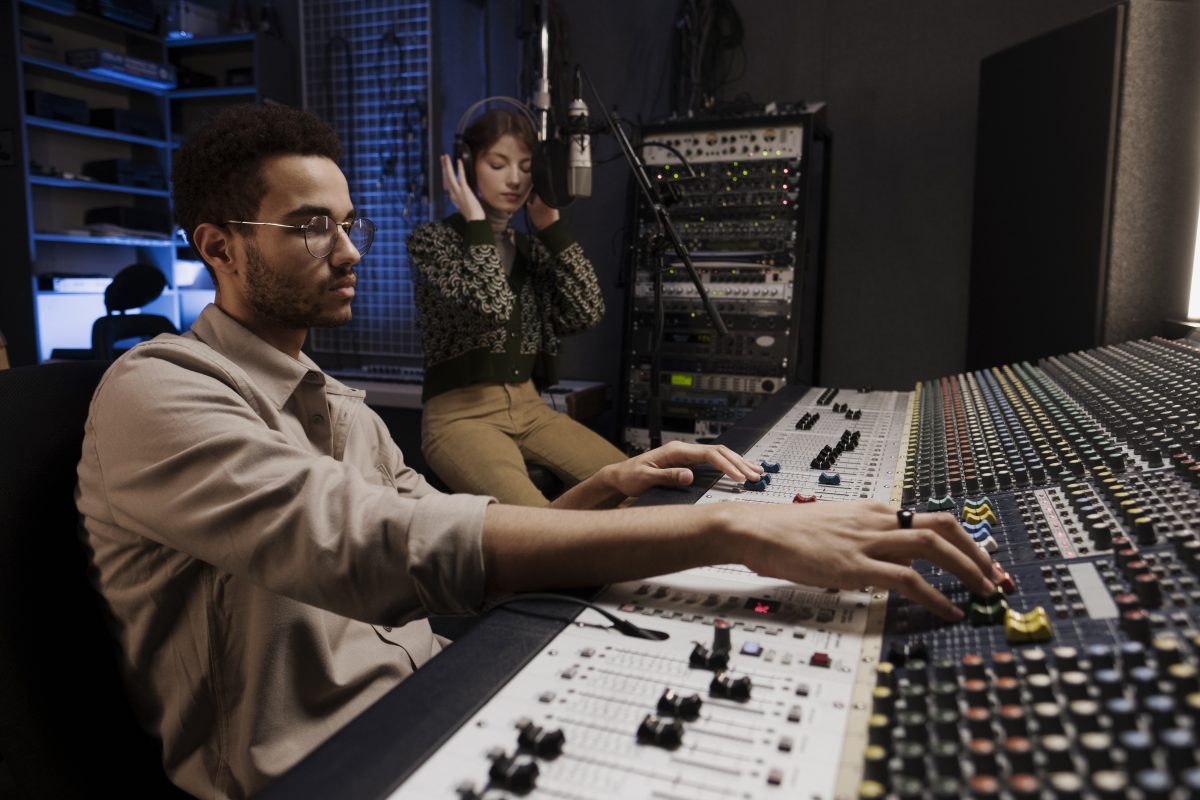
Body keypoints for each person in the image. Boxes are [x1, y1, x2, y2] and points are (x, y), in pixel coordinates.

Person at [75, 103, 995, 799]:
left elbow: (453, 539)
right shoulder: (156, 392)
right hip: (317, 769)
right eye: (312, 225)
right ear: (217, 248)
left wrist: (605, 487)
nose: (350, 249)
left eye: (348, 221)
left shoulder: (339, 405)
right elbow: (369, 546)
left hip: (434, 704)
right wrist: (725, 532)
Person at [406, 106, 627, 506]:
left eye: (526, 167)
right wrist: (474, 221)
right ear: (468, 165)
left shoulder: (529, 249)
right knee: (536, 526)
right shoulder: (431, 242)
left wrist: (552, 229)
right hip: (460, 417)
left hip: (531, 409)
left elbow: (586, 311)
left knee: (637, 488)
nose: (514, 179)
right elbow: (489, 308)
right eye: (497, 163)